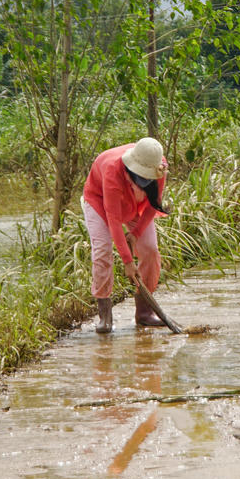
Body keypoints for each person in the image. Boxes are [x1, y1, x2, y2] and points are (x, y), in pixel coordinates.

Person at [82, 137, 169, 333]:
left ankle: (144, 313)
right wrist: (128, 262)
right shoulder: (113, 170)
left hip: (135, 202)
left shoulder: (159, 166)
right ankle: (105, 315)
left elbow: (153, 205)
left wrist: (136, 233)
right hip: (100, 200)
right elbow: (113, 219)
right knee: (102, 250)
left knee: (150, 250)